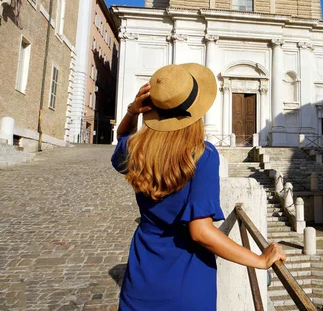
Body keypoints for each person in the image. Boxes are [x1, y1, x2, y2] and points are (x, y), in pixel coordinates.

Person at [111, 63, 286, 310]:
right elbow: (200, 232)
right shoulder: (202, 156)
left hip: (142, 274)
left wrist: (132, 111)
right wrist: (258, 260)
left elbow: (121, 138)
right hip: (187, 277)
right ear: (196, 110)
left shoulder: (135, 149)